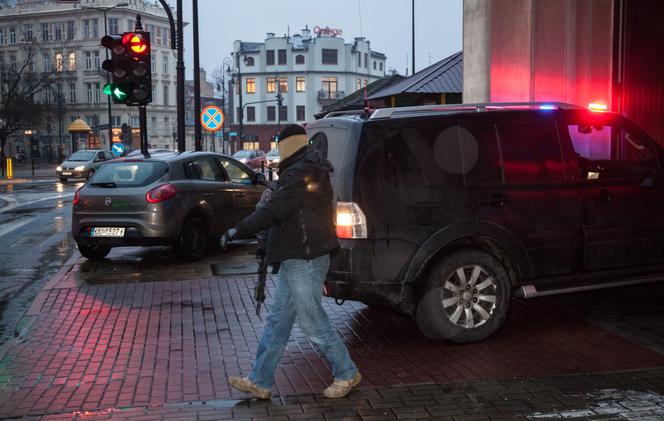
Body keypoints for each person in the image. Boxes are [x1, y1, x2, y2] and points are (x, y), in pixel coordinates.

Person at [221, 124, 361, 400]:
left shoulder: (302, 171)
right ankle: (260, 380)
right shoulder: (301, 168)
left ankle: (346, 372)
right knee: (278, 321)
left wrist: (240, 229)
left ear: (289, 146)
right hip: (296, 255)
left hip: (306, 257)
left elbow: (277, 209)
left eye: (280, 144)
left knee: (311, 320)